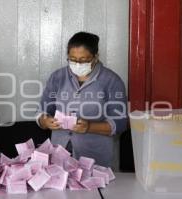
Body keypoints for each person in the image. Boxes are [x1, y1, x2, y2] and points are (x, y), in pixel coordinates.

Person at [37, 32, 127, 167]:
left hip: (95, 157)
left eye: (84, 60)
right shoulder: (58, 77)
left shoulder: (111, 81)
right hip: (59, 154)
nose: (77, 64)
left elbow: (120, 123)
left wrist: (89, 127)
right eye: (72, 59)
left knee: (93, 187)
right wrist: (44, 121)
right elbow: (42, 111)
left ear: (95, 57)